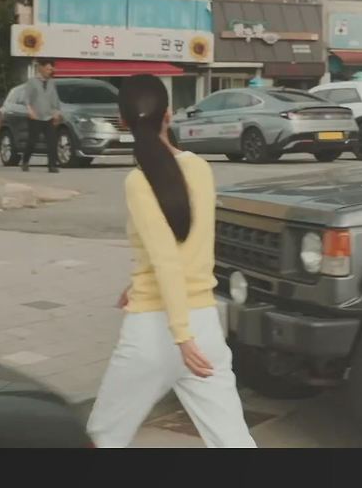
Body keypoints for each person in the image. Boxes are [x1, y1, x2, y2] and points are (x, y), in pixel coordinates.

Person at [86, 73, 256, 448]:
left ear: (123, 122)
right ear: (170, 114)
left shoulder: (138, 181)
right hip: (204, 326)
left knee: (103, 438)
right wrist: (186, 333)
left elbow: (166, 258)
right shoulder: (200, 168)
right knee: (234, 442)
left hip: (155, 331)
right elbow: (187, 248)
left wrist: (180, 336)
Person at [21, 58, 62, 173]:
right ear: (41, 68)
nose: (50, 71)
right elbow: (27, 99)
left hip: (48, 117)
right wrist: (30, 110)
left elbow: (55, 99)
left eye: (51, 69)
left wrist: (57, 112)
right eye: (48, 69)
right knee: (32, 141)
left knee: (52, 141)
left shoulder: (51, 82)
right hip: (36, 117)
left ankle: (52, 165)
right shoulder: (32, 82)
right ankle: (25, 161)